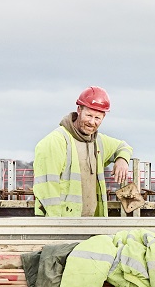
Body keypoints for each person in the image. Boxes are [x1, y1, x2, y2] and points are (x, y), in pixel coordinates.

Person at [33, 86, 133, 217]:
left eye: (97, 118)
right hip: (64, 222)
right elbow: (47, 189)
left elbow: (123, 146)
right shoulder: (55, 141)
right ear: (79, 110)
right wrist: (56, 225)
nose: (92, 122)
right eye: (89, 115)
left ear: (104, 117)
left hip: (92, 222)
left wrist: (122, 160)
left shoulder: (98, 141)